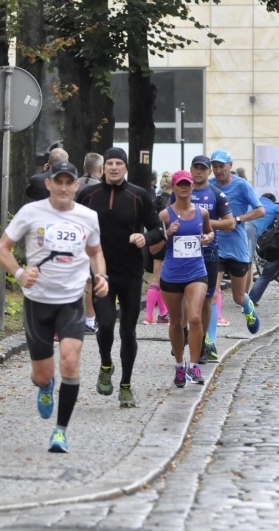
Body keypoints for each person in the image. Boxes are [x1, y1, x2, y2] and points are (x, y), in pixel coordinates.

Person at [0, 161, 108, 453]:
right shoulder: (31, 213)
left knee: (70, 359)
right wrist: (20, 274)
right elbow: (2, 248)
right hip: (37, 303)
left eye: (68, 182)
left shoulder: (88, 217)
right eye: (58, 181)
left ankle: (60, 431)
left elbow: (95, 252)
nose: (63, 187)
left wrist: (101, 276)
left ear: (76, 186)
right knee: (41, 375)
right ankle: (46, 387)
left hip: (70, 302)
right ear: (48, 184)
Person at [76, 147, 165, 408]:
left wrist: (145, 238)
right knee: (104, 324)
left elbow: (158, 230)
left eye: (119, 163)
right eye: (110, 163)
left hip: (131, 273)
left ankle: (126, 385)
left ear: (126, 168)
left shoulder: (138, 196)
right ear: (103, 168)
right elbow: (72, 226)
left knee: (128, 332)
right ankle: (106, 363)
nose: (114, 167)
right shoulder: (87, 195)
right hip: (101, 273)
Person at [150, 170, 214, 387]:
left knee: (195, 317)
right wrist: (167, 234)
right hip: (172, 275)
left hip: (196, 272)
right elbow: (153, 249)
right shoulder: (165, 216)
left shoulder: (202, 213)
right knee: (176, 323)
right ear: (174, 188)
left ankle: (194, 365)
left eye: (188, 184)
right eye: (180, 184)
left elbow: (210, 232)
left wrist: (207, 238)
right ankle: (179, 366)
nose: (185, 188)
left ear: (192, 187)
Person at [172, 155, 234, 363]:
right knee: (181, 295)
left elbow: (230, 223)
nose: (198, 172)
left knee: (207, 299)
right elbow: (168, 216)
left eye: (203, 169)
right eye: (195, 168)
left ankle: (201, 343)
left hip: (207, 252)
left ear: (208, 172)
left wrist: (205, 224)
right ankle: (183, 333)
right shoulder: (180, 192)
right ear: (190, 170)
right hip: (181, 251)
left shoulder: (216, 194)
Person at [209, 149, 264, 335]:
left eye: (222, 166)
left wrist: (238, 220)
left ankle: (248, 308)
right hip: (215, 245)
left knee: (238, 297)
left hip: (236, 246)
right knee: (212, 293)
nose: (218, 171)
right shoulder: (210, 186)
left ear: (230, 166)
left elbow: (260, 210)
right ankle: (210, 339)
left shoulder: (242, 186)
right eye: (215, 167)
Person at [76, 153, 104, 333]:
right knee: (91, 280)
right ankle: (90, 319)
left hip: (71, 235)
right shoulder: (101, 189)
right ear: (101, 169)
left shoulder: (72, 184)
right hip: (93, 238)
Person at [143, 171, 172, 325]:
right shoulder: (171, 202)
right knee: (158, 278)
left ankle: (162, 313)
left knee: (158, 278)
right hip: (167, 240)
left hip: (155, 239)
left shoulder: (156, 200)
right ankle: (148, 315)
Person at [246, 192, 279, 292]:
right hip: (251, 231)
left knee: (237, 261)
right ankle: (245, 296)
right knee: (247, 264)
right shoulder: (274, 206)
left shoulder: (252, 203)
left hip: (239, 228)